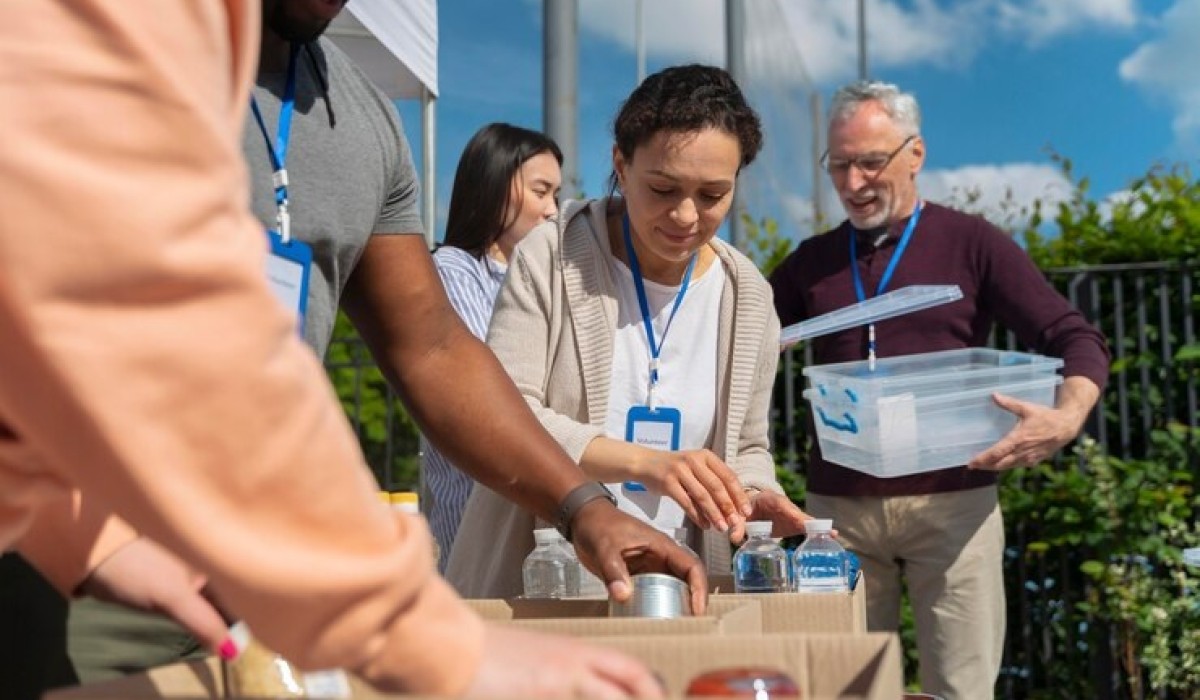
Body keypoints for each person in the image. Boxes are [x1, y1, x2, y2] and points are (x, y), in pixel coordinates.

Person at [0, 0, 696, 697]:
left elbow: (434, 346)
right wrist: (406, 629)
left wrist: (583, 505)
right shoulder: (101, 40)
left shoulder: (362, 118)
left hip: (257, 571)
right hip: (71, 565)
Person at [768, 80, 1110, 700]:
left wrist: (1067, 416)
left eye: (870, 161)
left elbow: (1072, 334)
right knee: (844, 687)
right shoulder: (811, 260)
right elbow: (743, 336)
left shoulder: (972, 243)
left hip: (954, 506)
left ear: (916, 154)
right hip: (836, 514)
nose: (852, 182)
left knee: (961, 687)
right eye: (838, 165)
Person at [447, 64, 815, 599]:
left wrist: (751, 493)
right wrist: (647, 463)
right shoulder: (552, 256)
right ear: (621, 164)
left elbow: (749, 443)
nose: (686, 215)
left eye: (713, 195)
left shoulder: (749, 297)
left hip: (678, 587)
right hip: (543, 580)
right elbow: (504, 413)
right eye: (663, 188)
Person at [422, 123, 563, 571]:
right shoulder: (453, 270)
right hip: (476, 506)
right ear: (494, 184)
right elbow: (489, 376)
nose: (552, 211)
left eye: (556, 195)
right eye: (541, 191)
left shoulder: (539, 277)